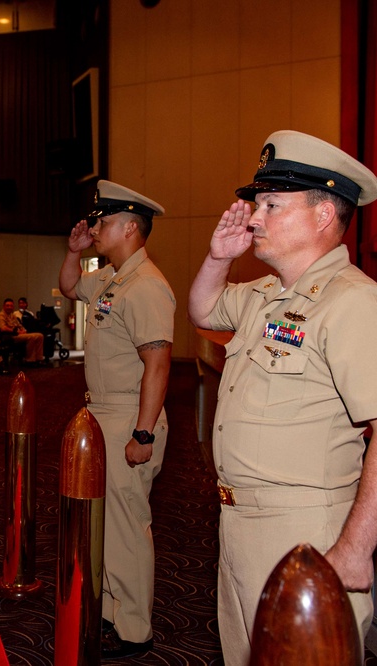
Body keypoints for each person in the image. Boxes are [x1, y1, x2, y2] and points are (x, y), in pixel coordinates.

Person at [188, 130, 377, 663]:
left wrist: (356, 549)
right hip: (239, 524)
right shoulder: (266, 295)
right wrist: (218, 258)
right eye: (257, 204)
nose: (253, 218)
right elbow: (203, 313)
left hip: (305, 531)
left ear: (322, 216)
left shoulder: (353, 303)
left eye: (272, 205)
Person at [58, 180, 174, 658]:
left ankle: (135, 627)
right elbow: (69, 287)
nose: (95, 228)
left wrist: (142, 432)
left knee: (126, 527)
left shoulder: (146, 286)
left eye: (102, 223)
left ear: (130, 227)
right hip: (101, 411)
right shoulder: (110, 278)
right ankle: (109, 610)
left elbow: (159, 364)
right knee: (102, 525)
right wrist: (73, 251)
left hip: (130, 413)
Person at [0, 298, 45, 365]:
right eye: (7, 305)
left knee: (40, 335)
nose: (9, 307)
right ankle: (30, 360)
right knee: (32, 337)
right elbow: (3, 328)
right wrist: (17, 332)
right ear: (3, 306)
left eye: (11, 306)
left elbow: (19, 325)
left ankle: (39, 359)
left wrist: (23, 330)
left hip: (19, 334)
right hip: (11, 336)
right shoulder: (1, 316)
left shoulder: (12, 315)